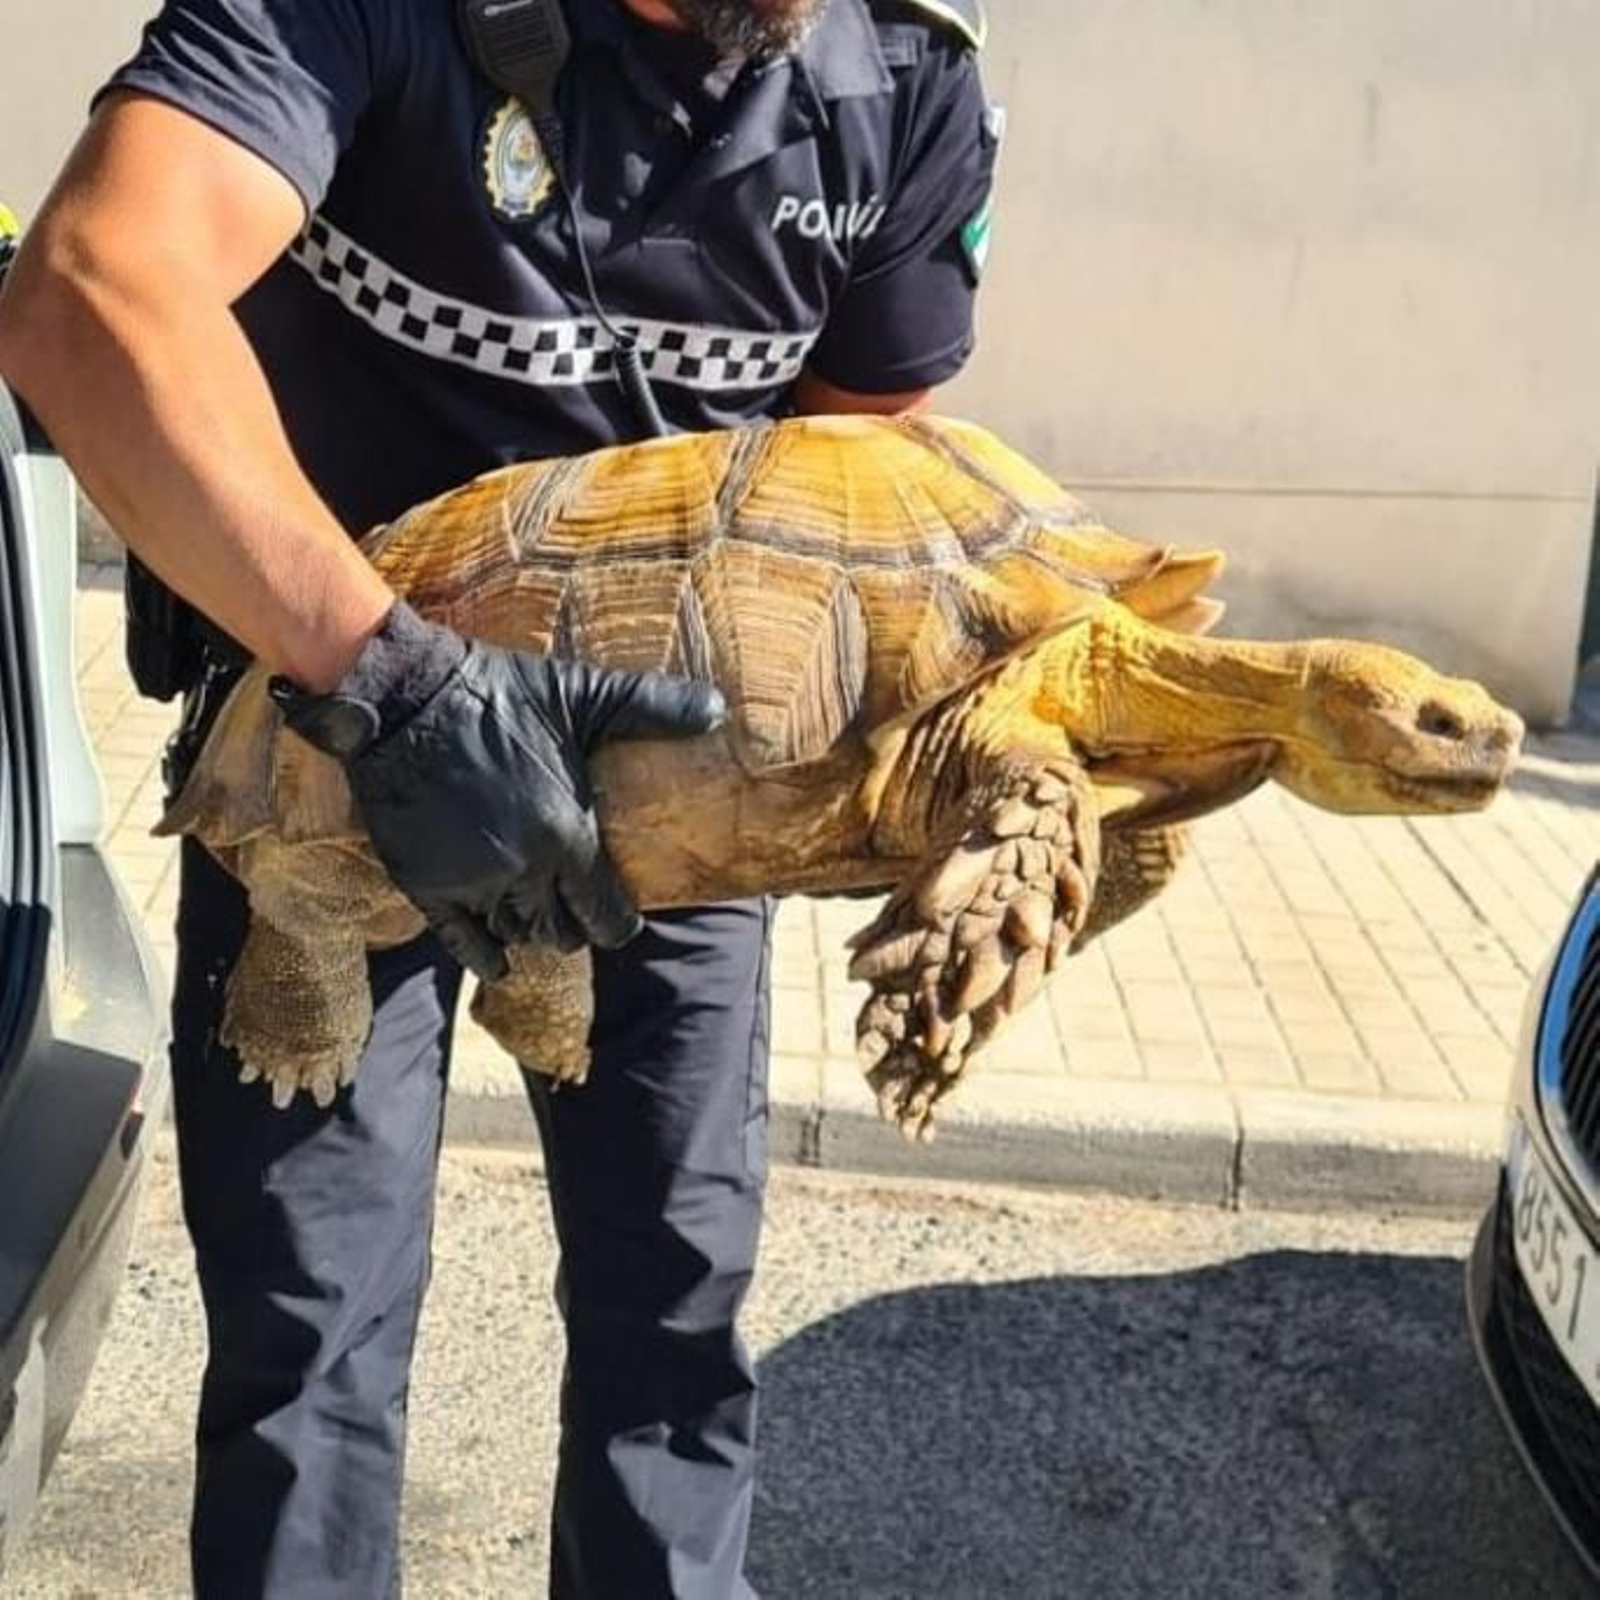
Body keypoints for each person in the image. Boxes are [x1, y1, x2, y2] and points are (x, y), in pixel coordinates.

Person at [0, 0, 999, 1591]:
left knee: (674, 1330)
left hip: (664, 828)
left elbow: (858, 495)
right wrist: (397, 687)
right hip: (330, 773)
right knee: (305, 1351)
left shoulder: (903, 75)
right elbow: (87, 294)